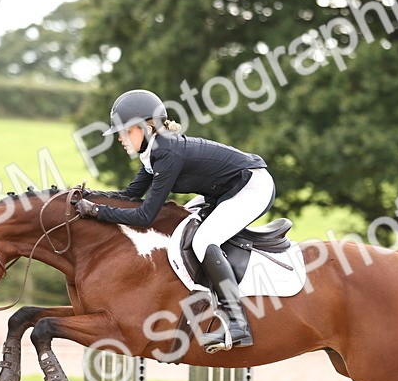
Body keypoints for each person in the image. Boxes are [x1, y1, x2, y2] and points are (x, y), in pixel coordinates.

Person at [73, 89, 273, 352]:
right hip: (223, 192)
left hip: (252, 186)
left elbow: (145, 216)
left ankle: (238, 323)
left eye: (125, 131)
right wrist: (91, 197)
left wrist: (97, 212)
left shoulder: (167, 154)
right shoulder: (154, 152)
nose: (120, 138)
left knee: (203, 240)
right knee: (182, 230)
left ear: (147, 127)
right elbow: (130, 195)